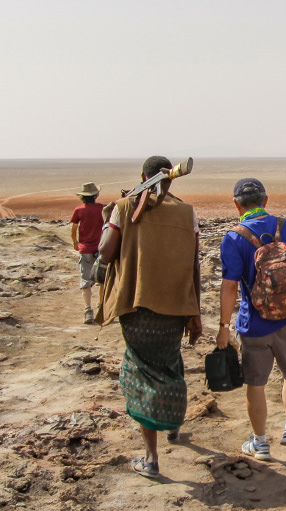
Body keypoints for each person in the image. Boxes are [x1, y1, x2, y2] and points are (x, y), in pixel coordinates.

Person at [98, 156, 202, 479]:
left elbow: (104, 251)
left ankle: (151, 458)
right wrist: (194, 312)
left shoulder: (125, 207)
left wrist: (109, 221)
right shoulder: (187, 212)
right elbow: (195, 265)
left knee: (141, 374)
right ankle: (173, 427)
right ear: (170, 181)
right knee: (170, 362)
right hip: (176, 308)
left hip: (137, 306)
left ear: (143, 177)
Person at [216, 178, 286, 461]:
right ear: (266, 201)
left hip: (253, 322)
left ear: (236, 205)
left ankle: (260, 443)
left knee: (256, 383)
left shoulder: (233, 237)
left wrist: (223, 327)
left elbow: (229, 285)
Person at [70, 182, 104, 324]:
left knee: (86, 281)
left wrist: (75, 243)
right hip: (101, 249)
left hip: (85, 250)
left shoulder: (79, 210)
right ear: (96, 195)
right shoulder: (102, 208)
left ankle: (87, 310)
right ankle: (102, 307)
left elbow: (73, 230)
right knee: (102, 280)